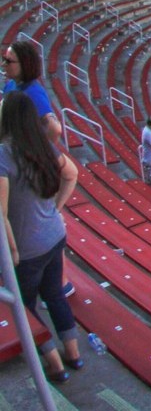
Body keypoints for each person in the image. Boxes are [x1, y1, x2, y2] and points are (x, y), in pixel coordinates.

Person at [0, 92, 82, 382]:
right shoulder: (42, 145)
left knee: (24, 306)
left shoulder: (3, 155)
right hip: (54, 234)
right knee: (55, 295)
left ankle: (55, 363)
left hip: (27, 247)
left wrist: (11, 251)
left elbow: (2, 212)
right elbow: (71, 174)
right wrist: (56, 209)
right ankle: (74, 354)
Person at [2, 41, 61, 144]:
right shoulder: (10, 84)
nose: (3, 64)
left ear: (25, 64)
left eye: (8, 61)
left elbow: (54, 130)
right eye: (4, 59)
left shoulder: (34, 93)